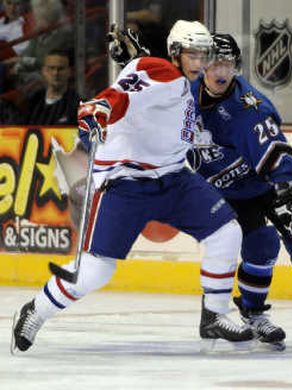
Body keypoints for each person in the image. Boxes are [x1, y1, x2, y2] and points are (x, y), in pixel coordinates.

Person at [11, 21, 254, 354]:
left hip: (173, 179)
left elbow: (144, 87)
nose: (200, 62)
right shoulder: (160, 71)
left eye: (204, 54)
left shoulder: (174, 77)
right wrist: (100, 107)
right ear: (175, 53)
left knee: (226, 232)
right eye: (192, 54)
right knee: (95, 270)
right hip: (125, 185)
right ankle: (36, 311)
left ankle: (214, 314)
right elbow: (121, 95)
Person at [188, 34, 292, 348]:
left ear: (236, 67)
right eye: (214, 62)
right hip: (230, 192)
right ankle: (254, 313)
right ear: (201, 66)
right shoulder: (181, 97)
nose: (220, 70)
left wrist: (287, 183)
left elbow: (273, 146)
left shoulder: (248, 107)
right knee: (261, 246)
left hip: (270, 182)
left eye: (227, 63)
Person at [24, 49, 80, 125]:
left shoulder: (77, 105)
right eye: (51, 68)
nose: (55, 73)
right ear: (44, 71)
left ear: (69, 72)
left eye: (61, 69)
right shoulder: (33, 102)